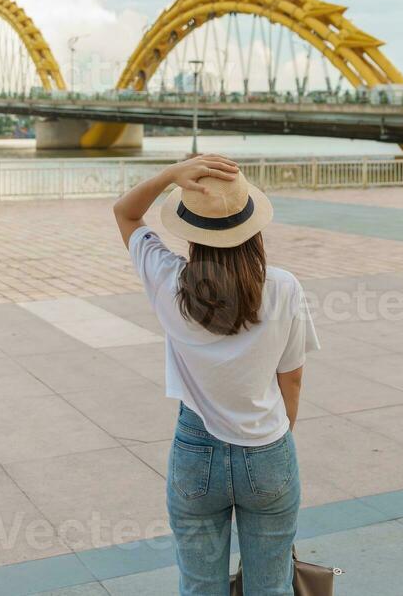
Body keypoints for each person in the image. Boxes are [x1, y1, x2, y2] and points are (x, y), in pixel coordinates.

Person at [113, 154, 318, 596]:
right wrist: (278, 435)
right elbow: (292, 378)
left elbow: (125, 212)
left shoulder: (169, 282)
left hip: (195, 451)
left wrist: (170, 174)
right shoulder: (282, 286)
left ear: (190, 231)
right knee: (272, 587)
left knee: (200, 586)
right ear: (252, 226)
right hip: (267, 448)